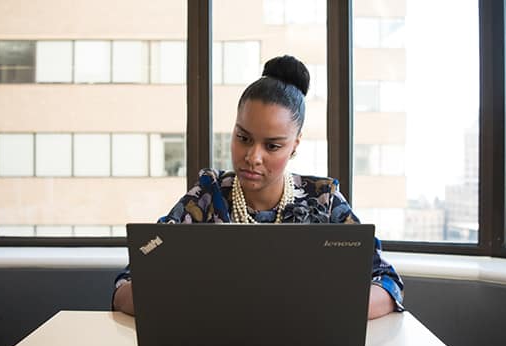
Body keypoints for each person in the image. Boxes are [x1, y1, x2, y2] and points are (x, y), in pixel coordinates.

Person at [113, 55, 404, 319]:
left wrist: (323, 308)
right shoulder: (206, 196)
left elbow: (387, 283)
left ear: (295, 145)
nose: (253, 157)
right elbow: (127, 284)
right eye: (243, 138)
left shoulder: (324, 201)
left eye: (273, 146)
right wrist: (188, 303)